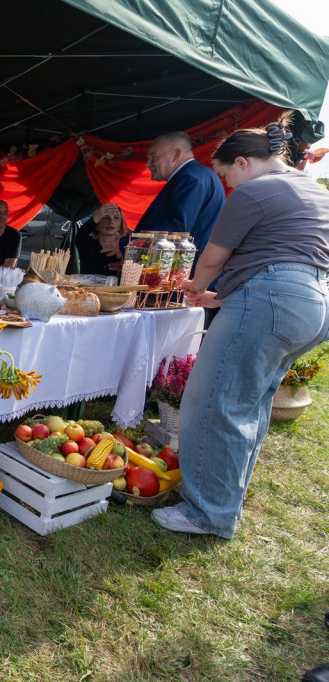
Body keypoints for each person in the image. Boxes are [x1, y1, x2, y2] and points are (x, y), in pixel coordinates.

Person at [151, 115, 329, 539]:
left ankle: (206, 513)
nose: (227, 183)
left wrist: (193, 289)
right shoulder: (313, 190)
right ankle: (225, 501)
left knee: (212, 403)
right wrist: (224, 297)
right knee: (249, 407)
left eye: (226, 173)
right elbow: (286, 260)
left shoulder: (257, 189)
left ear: (245, 163)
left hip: (270, 301)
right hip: (311, 304)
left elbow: (213, 257)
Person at [138, 131, 225, 257]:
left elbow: (175, 230)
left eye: (153, 157)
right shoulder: (196, 175)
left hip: (186, 268)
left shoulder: (191, 178)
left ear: (175, 155)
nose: (148, 164)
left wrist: (131, 247)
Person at [72, 202, 127, 275]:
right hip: (88, 286)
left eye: (116, 218)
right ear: (96, 225)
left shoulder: (125, 247)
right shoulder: (87, 243)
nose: (111, 222)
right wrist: (97, 215)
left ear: (121, 224)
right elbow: (81, 235)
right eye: (105, 218)